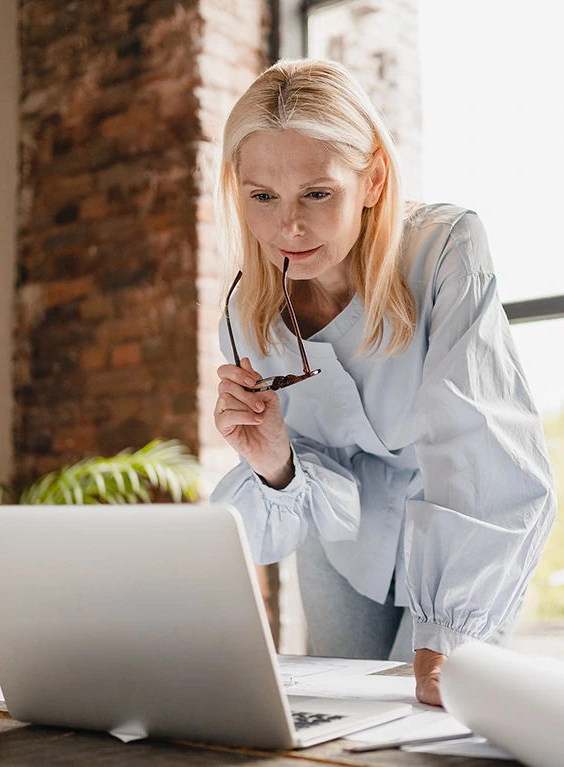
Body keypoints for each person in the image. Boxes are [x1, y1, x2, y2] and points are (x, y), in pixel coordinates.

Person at [209, 58, 557, 707]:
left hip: (458, 518)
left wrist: (448, 630)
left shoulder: (445, 248)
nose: (289, 227)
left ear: (371, 179)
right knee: (338, 717)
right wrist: (275, 464)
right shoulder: (244, 312)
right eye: (262, 196)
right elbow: (296, 491)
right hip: (343, 539)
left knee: (428, 714)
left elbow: (475, 444)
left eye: (316, 193)